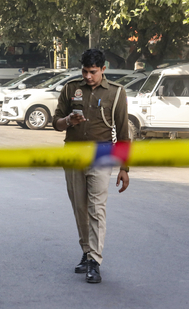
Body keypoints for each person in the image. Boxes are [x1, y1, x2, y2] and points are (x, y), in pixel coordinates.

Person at [52, 49, 130, 284]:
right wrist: (68, 121)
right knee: (80, 207)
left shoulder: (116, 93)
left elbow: (124, 133)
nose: (88, 76)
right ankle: (86, 252)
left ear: (103, 69)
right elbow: (56, 122)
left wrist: (125, 168)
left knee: (97, 208)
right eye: (84, 71)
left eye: (93, 72)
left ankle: (95, 260)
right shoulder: (70, 89)